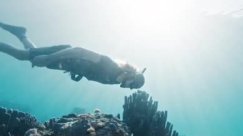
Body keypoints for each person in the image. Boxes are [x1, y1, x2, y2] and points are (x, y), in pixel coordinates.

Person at [0, 22, 145, 89]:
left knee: (31, 55)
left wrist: (77, 72)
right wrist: (49, 58)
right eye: (132, 85)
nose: (127, 88)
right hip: (62, 54)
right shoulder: (110, 65)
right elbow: (79, 51)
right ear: (131, 76)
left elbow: (90, 71)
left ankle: (22, 33)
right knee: (20, 55)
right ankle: (22, 34)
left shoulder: (112, 80)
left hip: (64, 64)